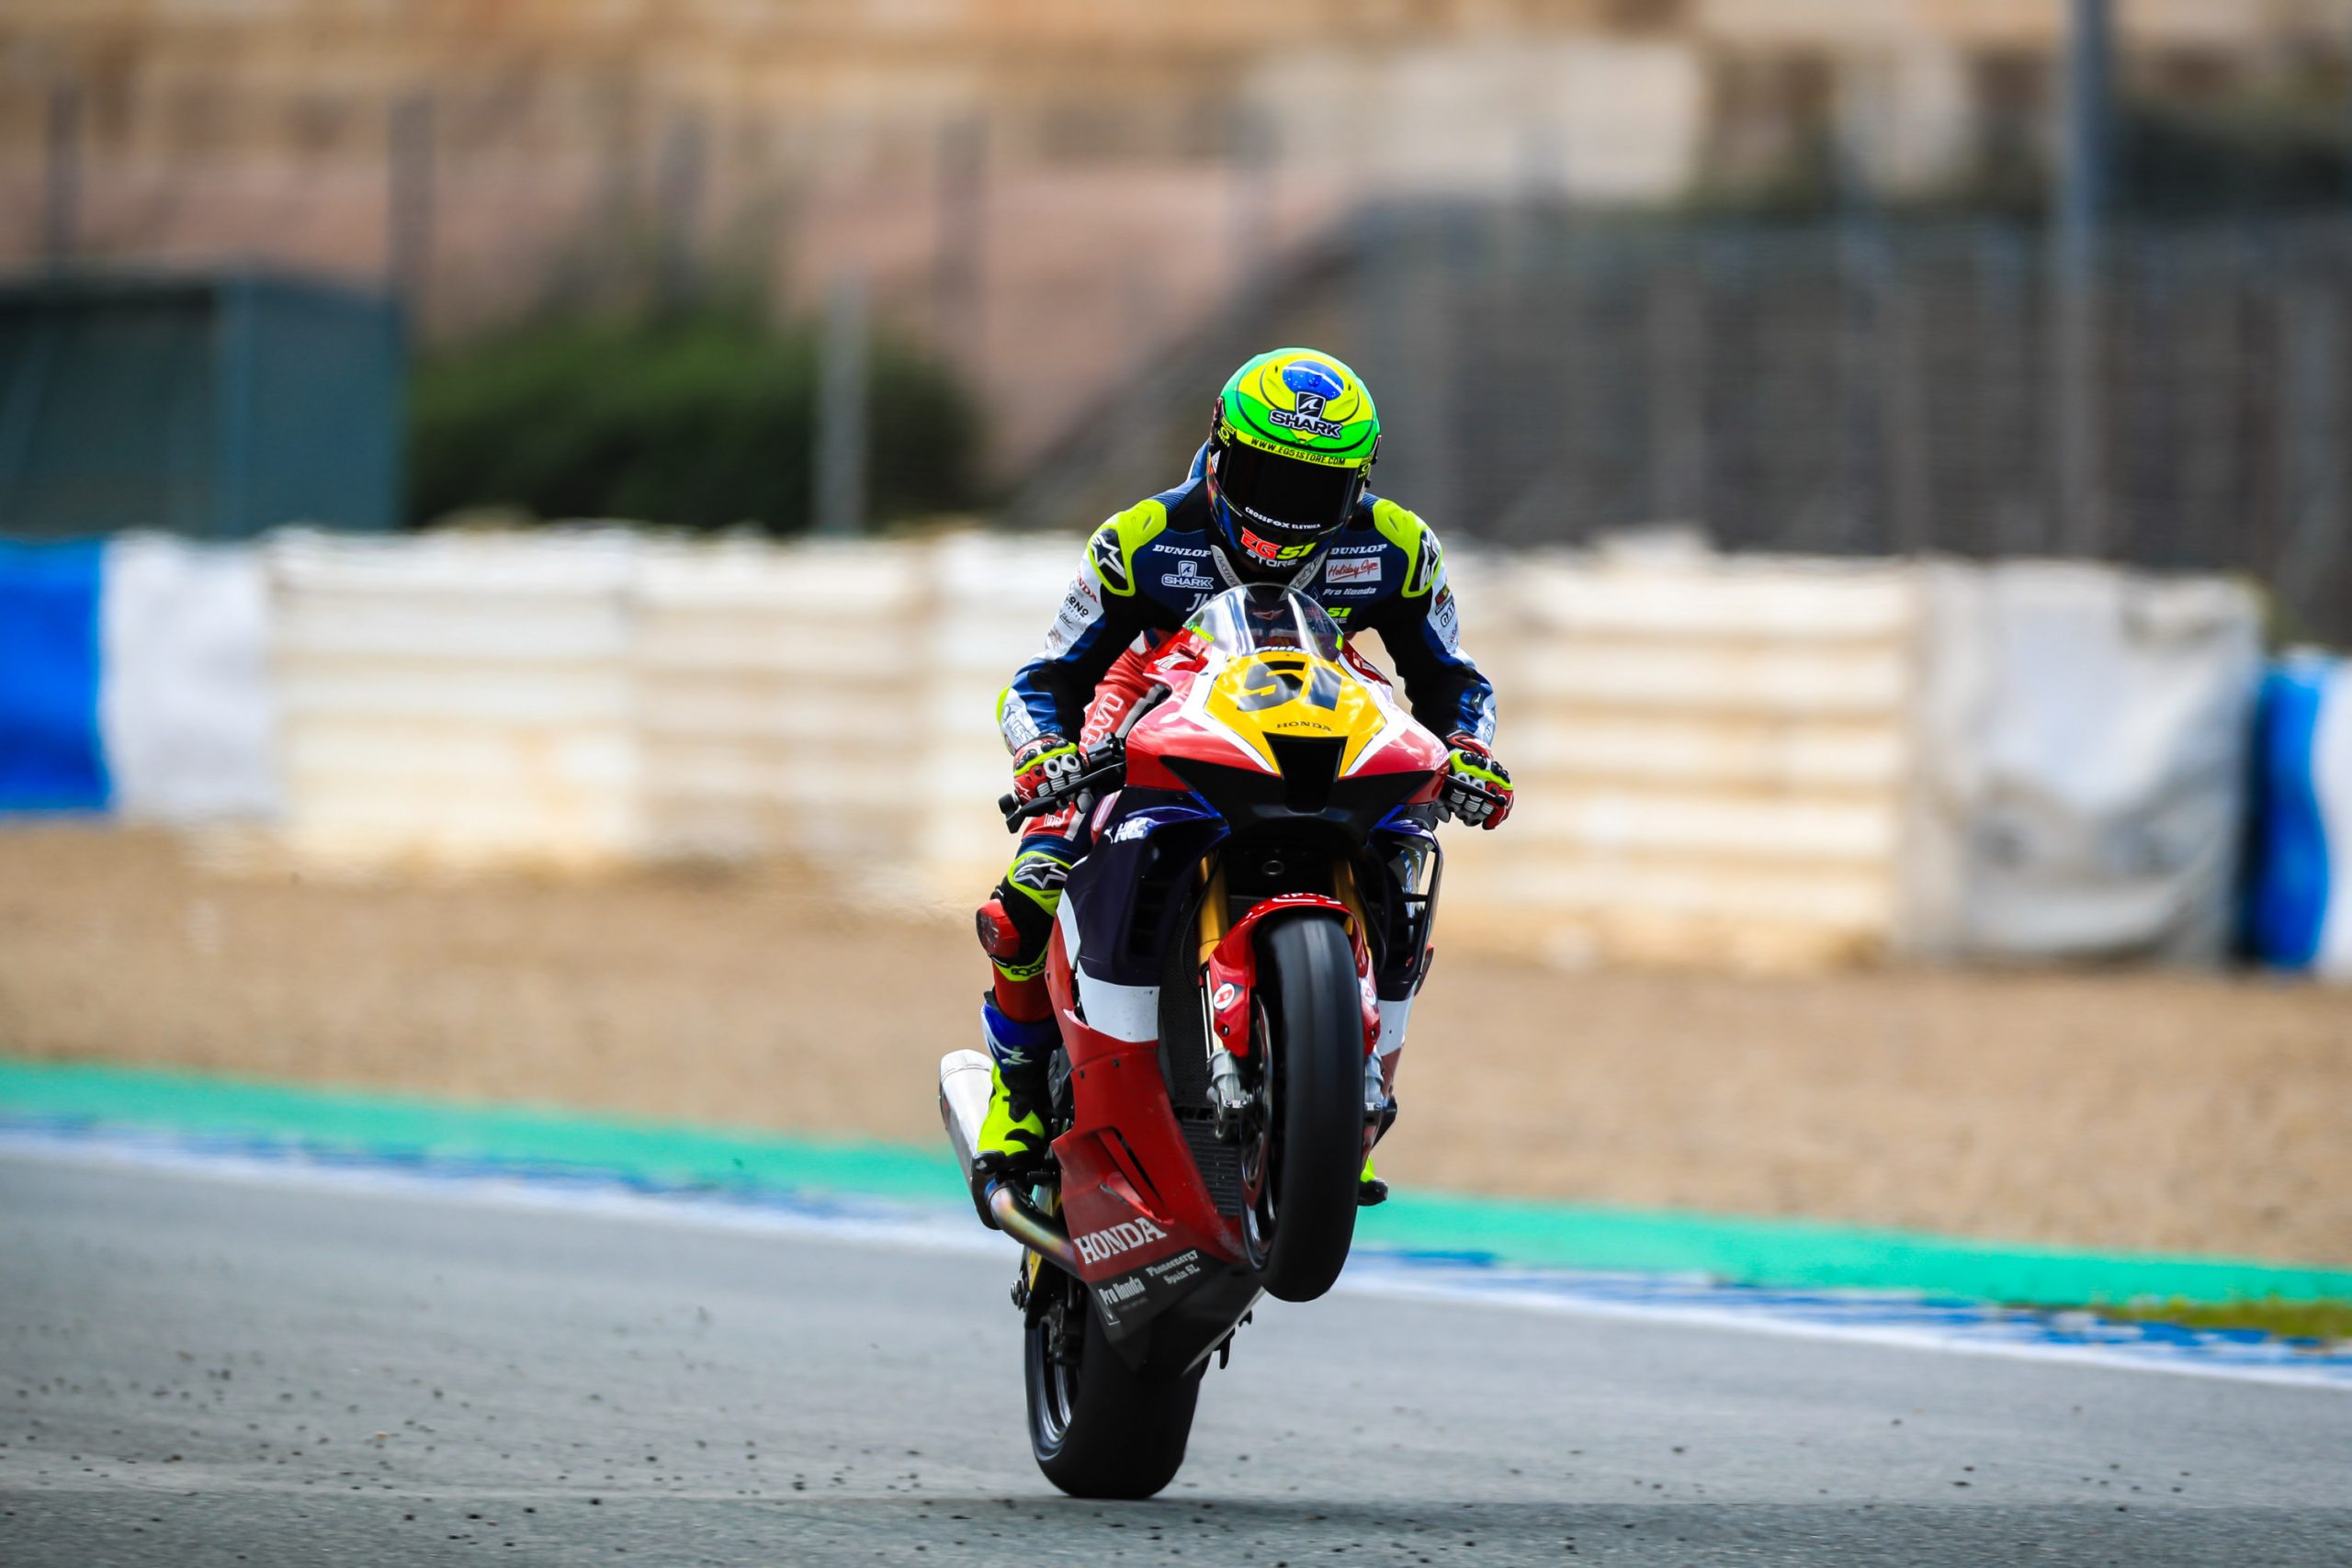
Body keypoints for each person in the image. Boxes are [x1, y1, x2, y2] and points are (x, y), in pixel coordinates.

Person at [970, 347, 1513, 1202]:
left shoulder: (1400, 547)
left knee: (1408, 847)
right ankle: (1017, 1095)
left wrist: (1470, 750)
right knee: (1034, 881)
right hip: (1152, 697)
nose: (1285, 509)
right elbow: (1043, 679)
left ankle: (1354, 1104)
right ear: (1219, 451)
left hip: (1323, 701)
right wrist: (1045, 754)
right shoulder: (1142, 539)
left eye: (1313, 489)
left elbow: (1455, 680)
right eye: (1266, 476)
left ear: (1357, 483)